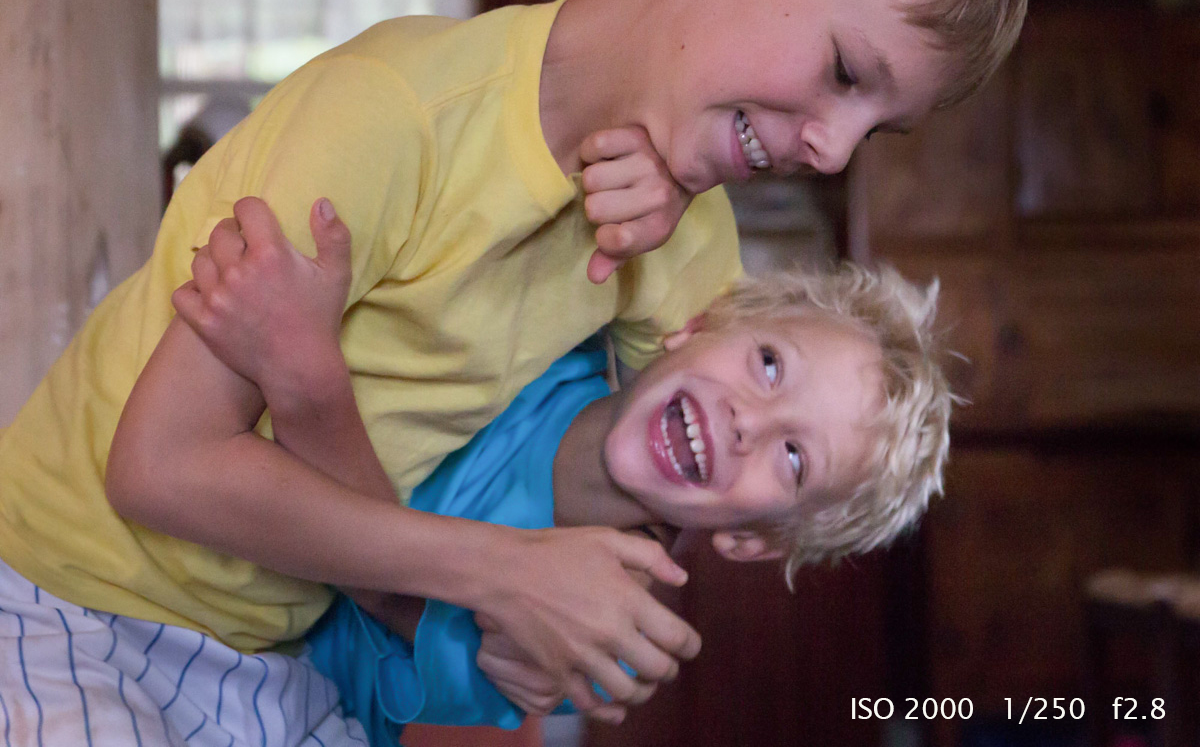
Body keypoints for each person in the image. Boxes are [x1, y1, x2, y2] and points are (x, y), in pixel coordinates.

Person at [0, 0, 1034, 742]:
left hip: (269, 659)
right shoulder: (394, 115)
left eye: (876, 128)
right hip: (78, 588)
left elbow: (696, 472)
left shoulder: (688, 240)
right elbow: (159, 467)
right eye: (846, 69)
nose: (832, 148)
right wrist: (506, 570)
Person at [170, 202, 951, 747]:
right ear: (700, 323)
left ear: (753, 538)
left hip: (273, 698)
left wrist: (307, 378)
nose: (751, 419)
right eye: (770, 364)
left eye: (792, 459)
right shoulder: (550, 339)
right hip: (191, 557)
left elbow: (378, 584)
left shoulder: (600, 633)